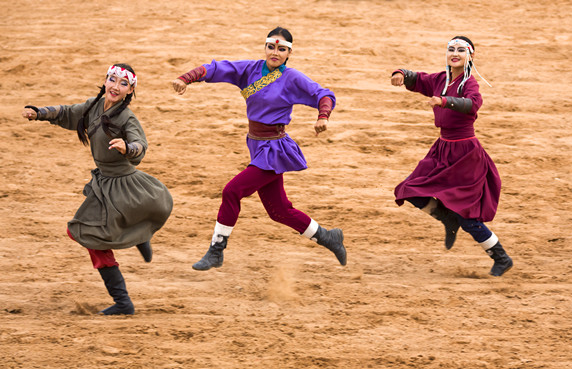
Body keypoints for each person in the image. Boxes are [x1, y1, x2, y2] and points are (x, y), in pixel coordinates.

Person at [172, 26, 347, 271]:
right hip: (256, 144)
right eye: (271, 47)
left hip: (274, 150)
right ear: (265, 47)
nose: (275, 52)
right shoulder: (249, 70)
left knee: (232, 191)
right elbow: (216, 68)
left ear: (289, 53)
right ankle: (328, 237)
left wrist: (323, 116)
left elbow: (323, 94)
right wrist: (186, 77)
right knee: (279, 211)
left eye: (282, 49)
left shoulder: (292, 78)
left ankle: (216, 250)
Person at [22, 63, 173, 315]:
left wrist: (128, 147)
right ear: (105, 80)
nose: (115, 86)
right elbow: (68, 113)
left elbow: (140, 145)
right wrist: (40, 113)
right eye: (112, 80)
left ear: (130, 90)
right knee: (89, 235)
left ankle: (123, 302)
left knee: (85, 233)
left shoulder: (127, 117)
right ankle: (138, 238)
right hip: (103, 184)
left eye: (123, 83)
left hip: (124, 185)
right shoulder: (93, 106)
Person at [390, 36, 512, 277]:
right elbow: (416, 78)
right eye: (450, 49)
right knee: (409, 189)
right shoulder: (439, 79)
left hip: (466, 154)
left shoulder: (470, 83)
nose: (454, 53)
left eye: (460, 50)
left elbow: (472, 104)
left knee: (467, 216)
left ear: (471, 56)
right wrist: (400, 73)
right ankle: (446, 218)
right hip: (442, 149)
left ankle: (501, 257)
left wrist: (445, 101)